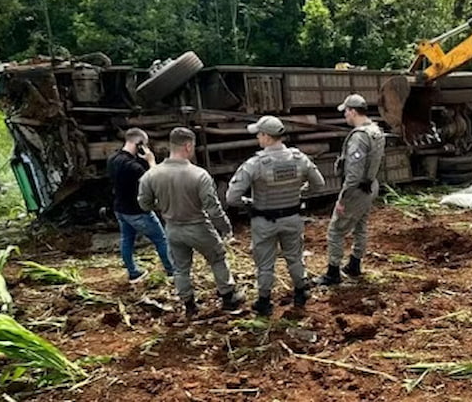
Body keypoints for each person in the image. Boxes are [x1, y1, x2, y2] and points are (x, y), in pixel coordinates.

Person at [138, 127, 245, 317]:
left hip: (172, 228)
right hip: (198, 226)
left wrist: (162, 206)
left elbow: (144, 204)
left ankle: (189, 305)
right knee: (217, 258)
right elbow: (213, 208)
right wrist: (225, 227)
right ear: (188, 146)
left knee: (180, 268)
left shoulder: (151, 176)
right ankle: (228, 298)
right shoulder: (199, 175)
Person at [226, 115, 325, 316]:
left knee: (265, 264)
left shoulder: (255, 163)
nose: (258, 139)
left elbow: (232, 197)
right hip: (292, 217)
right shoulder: (299, 158)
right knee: (295, 257)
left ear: (266, 136)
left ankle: (264, 301)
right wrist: (299, 192)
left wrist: (248, 204)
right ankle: (301, 291)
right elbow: (319, 185)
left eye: (259, 135)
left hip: (264, 220)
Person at [314, 94, 385, 286]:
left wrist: (343, 200)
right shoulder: (376, 131)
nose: (345, 115)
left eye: (346, 111)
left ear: (353, 111)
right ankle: (354, 264)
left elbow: (353, 174)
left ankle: (333, 272)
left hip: (357, 191)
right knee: (361, 225)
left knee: (335, 231)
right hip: (370, 186)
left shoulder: (359, 137)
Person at [106, 128, 174, 284]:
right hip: (137, 210)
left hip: (120, 208)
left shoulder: (112, 159)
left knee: (127, 239)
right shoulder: (133, 167)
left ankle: (133, 272)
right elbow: (155, 180)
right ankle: (172, 270)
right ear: (140, 144)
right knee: (161, 239)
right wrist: (151, 160)